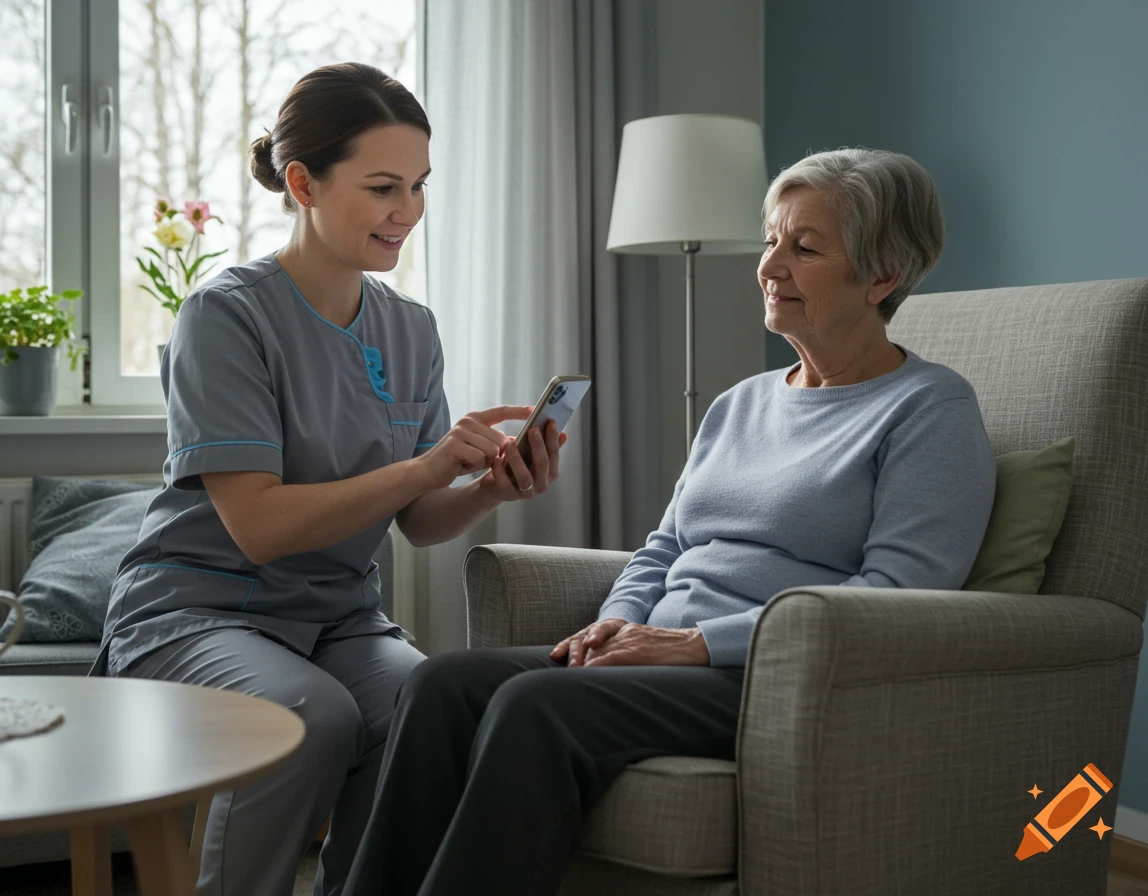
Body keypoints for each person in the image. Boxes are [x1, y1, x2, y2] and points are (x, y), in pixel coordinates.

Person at [342, 148, 997, 896]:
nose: (770, 265)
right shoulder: (742, 401)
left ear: (882, 277)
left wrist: (694, 644)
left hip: (769, 677)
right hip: (664, 654)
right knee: (443, 685)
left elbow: (899, 594)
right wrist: (615, 622)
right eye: (772, 240)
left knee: (534, 707)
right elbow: (665, 547)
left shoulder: (930, 408)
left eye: (805, 248)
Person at [90, 62, 566, 896]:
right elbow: (260, 528)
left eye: (419, 186)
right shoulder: (227, 315)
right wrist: (423, 464)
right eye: (384, 187)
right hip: (198, 612)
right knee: (312, 718)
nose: (407, 212)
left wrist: (491, 487)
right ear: (302, 183)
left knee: (433, 704)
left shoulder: (411, 329)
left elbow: (418, 520)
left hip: (338, 621)